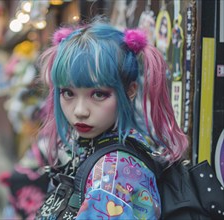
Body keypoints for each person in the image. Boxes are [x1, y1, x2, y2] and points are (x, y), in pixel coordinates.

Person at [36, 18, 188, 219]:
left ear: (130, 90)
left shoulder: (113, 171)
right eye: (68, 93)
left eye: (98, 94)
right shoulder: (108, 150)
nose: (80, 111)